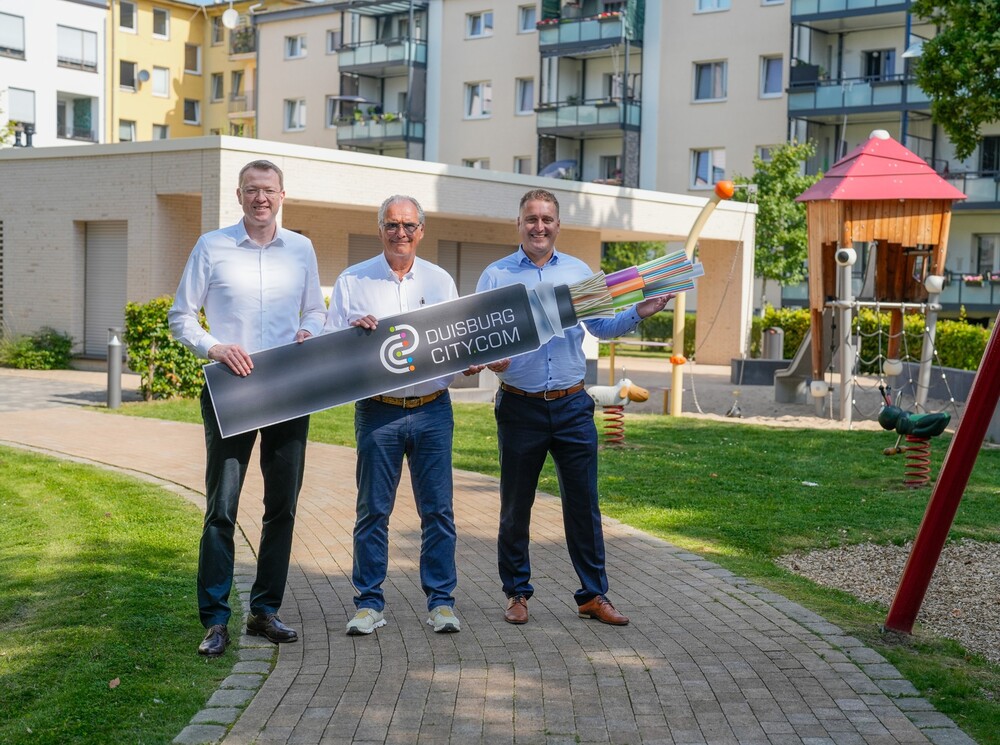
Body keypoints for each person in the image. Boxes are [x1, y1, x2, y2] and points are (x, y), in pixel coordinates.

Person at [472, 188, 671, 627]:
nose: (538, 226)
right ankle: (517, 593)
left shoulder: (580, 272)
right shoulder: (496, 276)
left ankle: (593, 595)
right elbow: (480, 341)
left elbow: (603, 325)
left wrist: (641, 310)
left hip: (571, 406)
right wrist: (491, 360)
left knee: (584, 505)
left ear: (558, 225)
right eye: (530, 219)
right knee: (515, 506)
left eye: (546, 219)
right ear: (519, 224)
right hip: (519, 408)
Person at [169, 160, 326, 656]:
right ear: (238, 196)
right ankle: (215, 620)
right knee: (222, 507)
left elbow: (315, 309)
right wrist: (214, 348)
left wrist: (310, 332)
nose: (261, 198)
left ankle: (265, 611)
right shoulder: (211, 246)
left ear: (283, 195)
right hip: (230, 390)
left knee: (281, 506)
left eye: (269, 190)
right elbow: (181, 316)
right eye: (252, 190)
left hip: (287, 389)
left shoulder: (301, 248)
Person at [326, 195, 462, 636]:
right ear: (379, 228)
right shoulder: (353, 280)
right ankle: (369, 603)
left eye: (408, 225)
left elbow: (457, 345)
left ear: (421, 230)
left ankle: (441, 603)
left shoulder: (441, 281)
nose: (400, 233)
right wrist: (351, 336)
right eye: (391, 225)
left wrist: (476, 361)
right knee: (372, 512)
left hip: (432, 410)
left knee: (438, 512)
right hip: (378, 412)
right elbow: (329, 347)